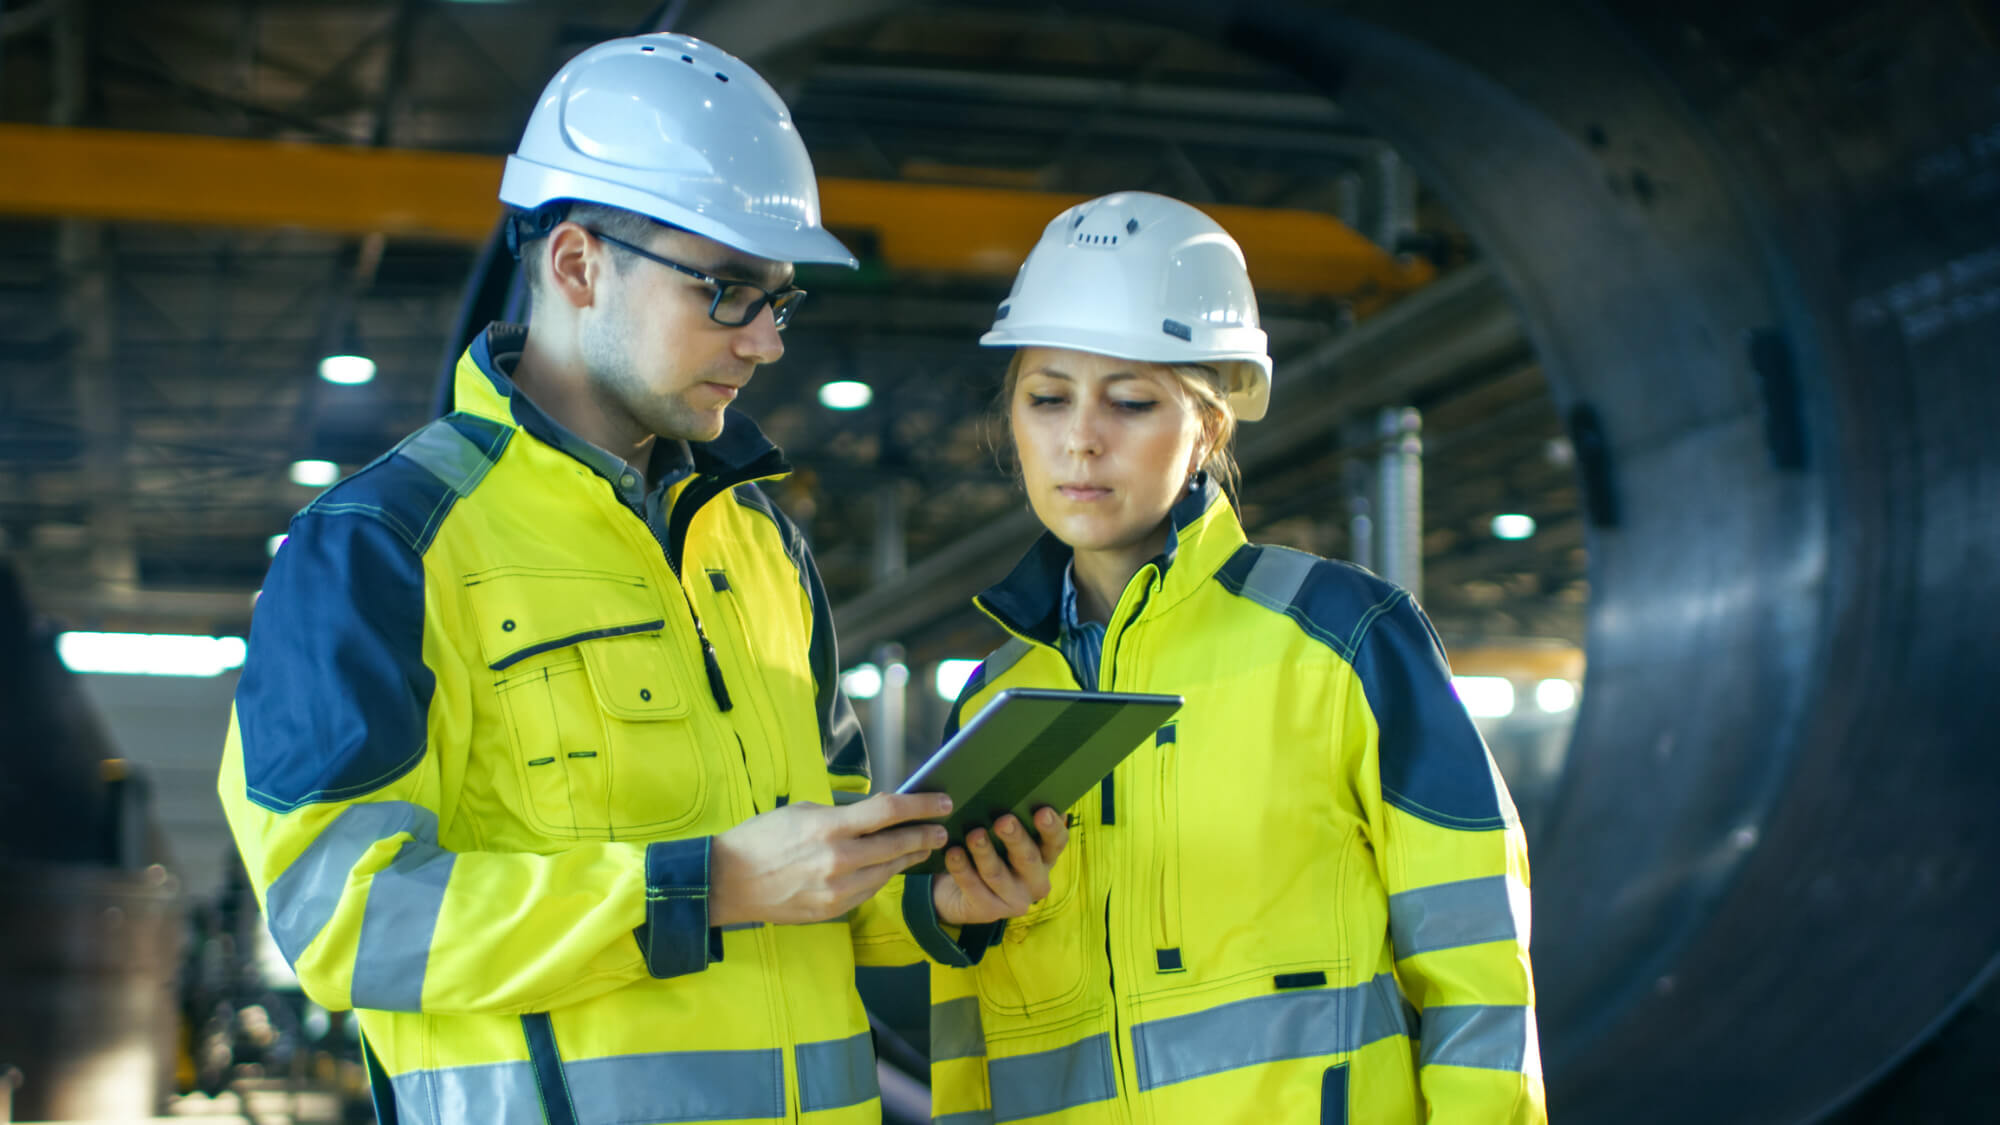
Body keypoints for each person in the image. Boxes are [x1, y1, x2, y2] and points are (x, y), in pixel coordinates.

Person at [216, 34, 1061, 1125]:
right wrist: (703, 886)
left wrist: (936, 900)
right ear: (576, 266)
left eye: (779, 302)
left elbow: (824, 871)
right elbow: (340, 920)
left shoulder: (755, 544)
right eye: (727, 292)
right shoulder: (379, 548)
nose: (765, 341)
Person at [922, 192, 1545, 1124]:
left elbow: (1478, 962)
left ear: (1211, 426)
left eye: (1130, 400)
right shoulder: (993, 706)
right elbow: (967, 1039)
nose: (1080, 437)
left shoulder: (1344, 638)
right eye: (1046, 397)